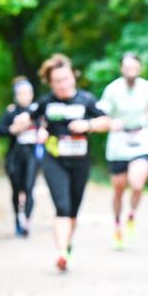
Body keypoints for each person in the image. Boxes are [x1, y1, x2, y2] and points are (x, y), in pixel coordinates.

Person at [31, 54, 110, 272]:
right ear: (50, 83)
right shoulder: (45, 102)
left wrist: (88, 125)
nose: (62, 85)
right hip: (53, 159)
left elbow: (107, 121)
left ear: (73, 77)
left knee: (73, 210)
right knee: (62, 206)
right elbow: (30, 120)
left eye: (65, 79)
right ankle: (61, 253)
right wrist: (38, 130)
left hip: (80, 162)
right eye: (57, 81)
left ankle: (65, 245)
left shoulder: (86, 100)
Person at [98, 52, 148, 249]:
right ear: (121, 68)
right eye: (127, 67)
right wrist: (110, 123)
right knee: (118, 189)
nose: (131, 70)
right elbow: (102, 115)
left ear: (140, 68)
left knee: (137, 184)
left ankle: (131, 214)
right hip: (119, 141)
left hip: (141, 138)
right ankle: (117, 224)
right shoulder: (111, 89)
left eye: (134, 67)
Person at [0, 76, 40, 237]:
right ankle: (17, 219)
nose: (25, 96)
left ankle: (27, 221)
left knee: (29, 188)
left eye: (28, 93)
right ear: (16, 95)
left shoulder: (37, 111)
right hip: (15, 156)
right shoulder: (11, 112)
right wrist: (13, 129)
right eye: (22, 93)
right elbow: (0, 130)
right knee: (16, 189)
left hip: (32, 155)